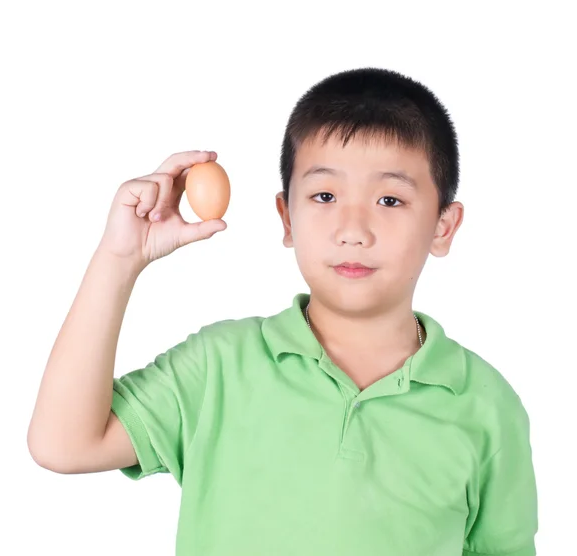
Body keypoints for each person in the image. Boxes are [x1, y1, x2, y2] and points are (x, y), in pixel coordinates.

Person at [27, 67, 538, 556]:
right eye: (324, 195)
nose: (353, 228)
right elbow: (64, 444)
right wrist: (119, 261)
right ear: (286, 217)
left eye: (389, 200)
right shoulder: (220, 367)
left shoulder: (487, 407)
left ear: (443, 226)